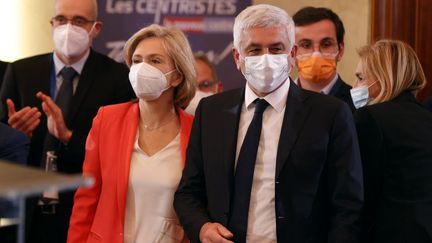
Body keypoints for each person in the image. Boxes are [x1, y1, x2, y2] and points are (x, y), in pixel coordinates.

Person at [174, 4, 363, 243]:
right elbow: (188, 192)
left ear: (292, 54)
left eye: (276, 49)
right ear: (237, 57)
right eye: (254, 49)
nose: (266, 58)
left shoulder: (331, 113)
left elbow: (348, 205)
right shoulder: (212, 111)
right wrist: (201, 228)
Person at [0, 0, 135, 242]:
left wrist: (68, 137)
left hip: (82, 211)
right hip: (26, 211)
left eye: (79, 21)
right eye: (61, 20)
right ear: (52, 24)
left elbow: (117, 154)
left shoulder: (118, 79)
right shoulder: (20, 71)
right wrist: (16, 136)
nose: (68, 28)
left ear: (96, 28)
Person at [67, 24, 196, 243]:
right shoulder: (107, 120)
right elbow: (87, 198)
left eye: (155, 61)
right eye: (137, 61)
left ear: (177, 76)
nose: (142, 68)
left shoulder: (196, 131)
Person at [351, 39, 432, 243]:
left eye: (361, 77)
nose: (354, 86)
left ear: (383, 78)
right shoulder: (426, 116)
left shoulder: (370, 117)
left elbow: (363, 193)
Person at [293, 7, 355, 111]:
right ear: (292, 52)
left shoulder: (358, 105)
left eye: (326, 44)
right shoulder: (277, 101)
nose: (316, 54)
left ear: (340, 50)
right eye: (306, 45)